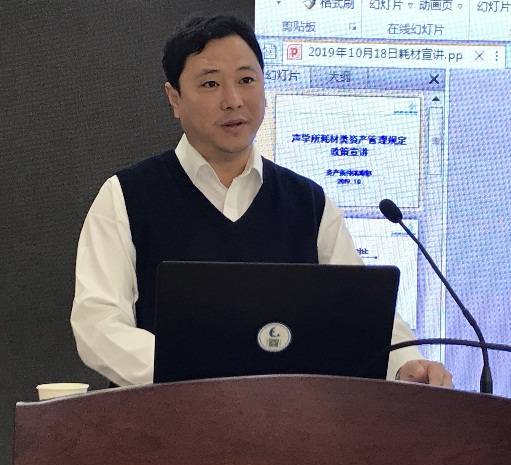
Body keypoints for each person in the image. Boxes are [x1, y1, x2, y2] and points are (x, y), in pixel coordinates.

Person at [71, 15, 453, 388]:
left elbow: (361, 311)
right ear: (175, 99)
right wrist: (195, 370)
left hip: (289, 422)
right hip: (164, 422)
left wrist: (405, 365)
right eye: (210, 84)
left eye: (246, 80)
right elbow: (98, 324)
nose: (233, 100)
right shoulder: (126, 196)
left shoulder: (309, 204)